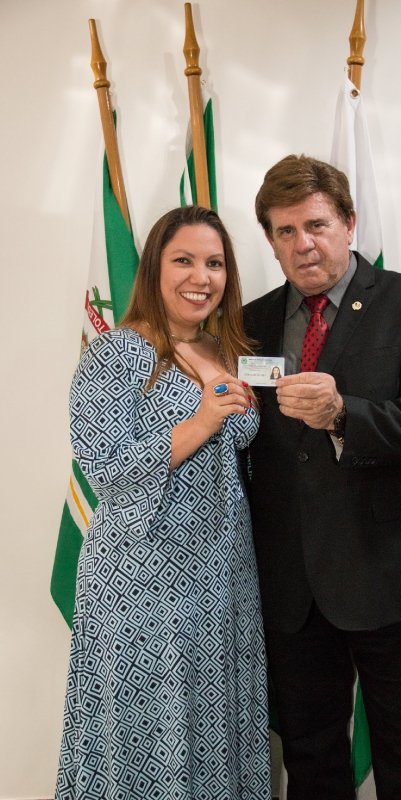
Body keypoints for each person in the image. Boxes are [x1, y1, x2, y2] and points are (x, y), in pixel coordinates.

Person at [243, 155, 401, 800]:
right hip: (292, 590)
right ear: (270, 240)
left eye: (316, 225)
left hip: (391, 575)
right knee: (311, 765)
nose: (303, 245)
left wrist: (343, 415)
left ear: (348, 222)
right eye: (285, 231)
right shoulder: (250, 323)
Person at [56, 206, 271, 800]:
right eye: (184, 260)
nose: (201, 277)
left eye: (215, 263)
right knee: (148, 731)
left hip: (223, 576)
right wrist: (200, 421)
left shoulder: (231, 352)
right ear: (154, 268)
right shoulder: (116, 354)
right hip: (140, 580)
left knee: (217, 726)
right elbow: (105, 470)